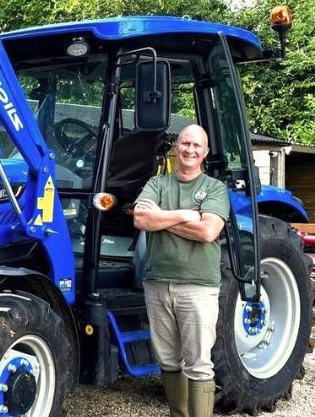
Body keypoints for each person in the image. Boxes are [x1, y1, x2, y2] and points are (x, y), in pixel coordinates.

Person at [132, 124, 229, 417]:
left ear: (205, 153)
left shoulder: (214, 188)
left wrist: (160, 217)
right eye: (185, 143)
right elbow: (140, 220)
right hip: (158, 282)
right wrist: (187, 215)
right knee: (169, 360)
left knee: (198, 362)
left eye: (196, 146)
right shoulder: (157, 184)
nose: (189, 150)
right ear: (176, 147)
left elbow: (208, 231)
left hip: (197, 286)